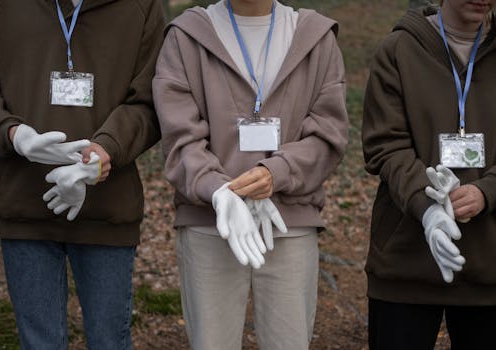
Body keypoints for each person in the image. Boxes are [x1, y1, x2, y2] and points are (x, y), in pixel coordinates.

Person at [153, 0, 348, 348]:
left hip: (289, 224)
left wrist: (278, 173)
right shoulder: (186, 36)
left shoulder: (315, 38)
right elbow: (179, 136)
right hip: (209, 224)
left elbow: (328, 133)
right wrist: (218, 190)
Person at [0, 0, 164, 348]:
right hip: (23, 204)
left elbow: (150, 102)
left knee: (110, 341)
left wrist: (105, 150)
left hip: (107, 208)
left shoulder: (141, 6)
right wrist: (16, 136)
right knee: (39, 343)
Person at [362, 0, 496, 349]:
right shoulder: (398, 50)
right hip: (406, 265)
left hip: (489, 267)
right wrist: (429, 207)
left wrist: (487, 191)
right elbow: (386, 146)